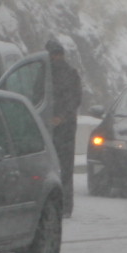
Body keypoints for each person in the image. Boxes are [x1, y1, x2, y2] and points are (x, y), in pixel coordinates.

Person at [45, 38, 82, 217]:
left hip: (53, 127)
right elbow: (76, 99)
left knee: (49, 168)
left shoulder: (45, 73)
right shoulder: (71, 73)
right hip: (66, 128)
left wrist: (57, 117)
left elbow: (73, 99)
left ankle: (55, 206)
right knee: (65, 169)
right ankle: (65, 207)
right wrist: (64, 117)